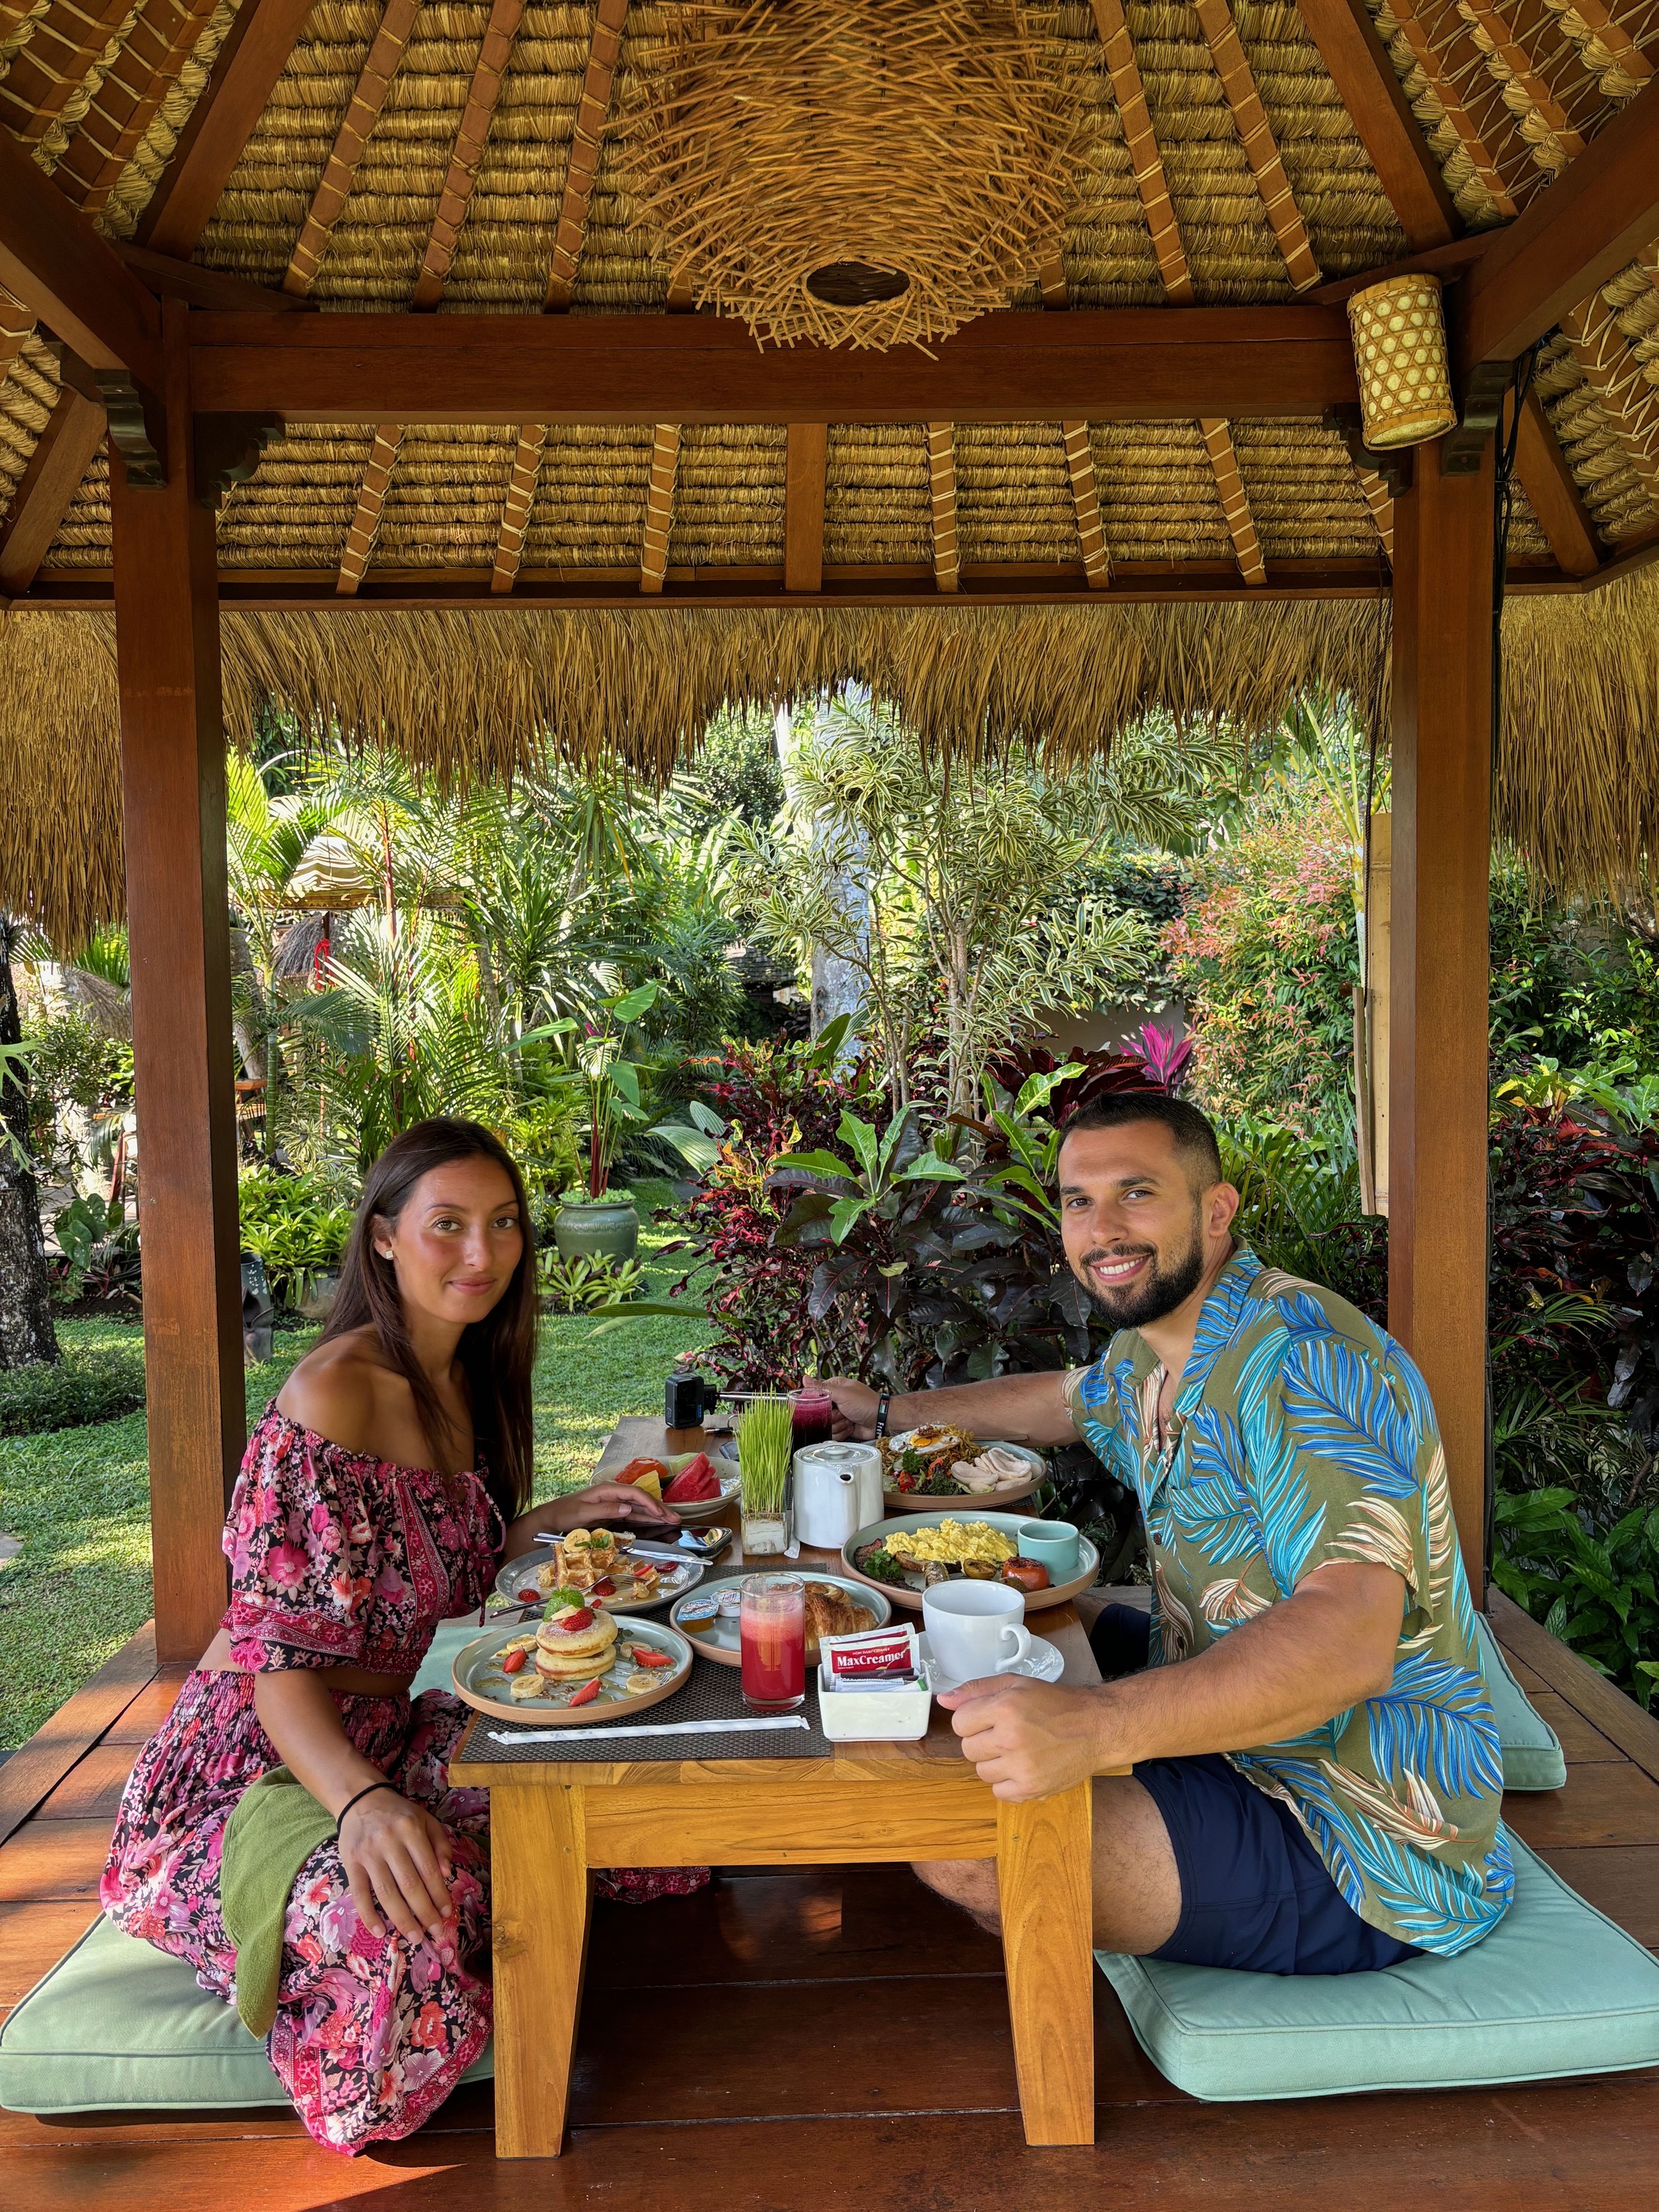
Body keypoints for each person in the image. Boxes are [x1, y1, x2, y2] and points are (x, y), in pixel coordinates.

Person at [102, 1118, 706, 2154]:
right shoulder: (334, 1393)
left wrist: (552, 1519)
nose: (484, 1252)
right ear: (383, 1237)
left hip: (388, 1735)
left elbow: (424, 1560)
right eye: (448, 1225)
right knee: (402, 1921)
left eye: (504, 1223)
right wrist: (363, 1805)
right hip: (260, 1765)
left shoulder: (463, 1374)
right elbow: (273, 1665)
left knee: (630, 1814)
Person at [824, 1092, 1511, 1976]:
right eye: (1080, 1200)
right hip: (1218, 1708)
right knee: (956, 1626)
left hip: (1352, 1825)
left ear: (1216, 1210)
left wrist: (1096, 1727)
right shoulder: (1159, 1346)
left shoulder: (1307, 1359)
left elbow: (1350, 1640)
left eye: (1137, 1192)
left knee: (964, 1842)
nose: (1103, 1229)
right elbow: (1063, 1401)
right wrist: (886, 1414)